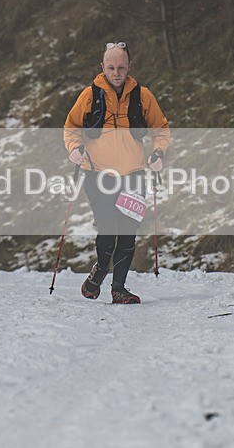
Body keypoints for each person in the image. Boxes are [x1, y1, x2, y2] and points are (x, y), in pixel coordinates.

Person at [63, 41, 170, 304]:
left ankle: (119, 289)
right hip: (98, 175)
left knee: (128, 232)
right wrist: (75, 148)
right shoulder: (89, 95)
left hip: (134, 175)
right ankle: (100, 270)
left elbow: (161, 129)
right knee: (109, 230)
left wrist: (158, 153)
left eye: (121, 67)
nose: (116, 72)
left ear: (129, 66)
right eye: (111, 67)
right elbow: (71, 127)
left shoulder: (143, 96)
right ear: (102, 67)